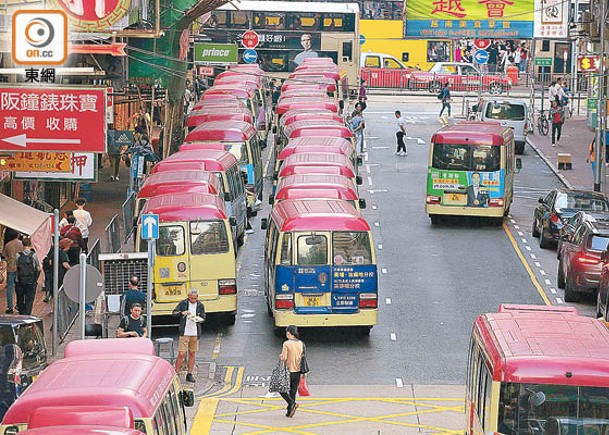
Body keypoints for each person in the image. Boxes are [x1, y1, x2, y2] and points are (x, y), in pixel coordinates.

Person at [172, 289, 206, 383]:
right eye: (191, 298)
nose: (193, 300)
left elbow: (203, 317)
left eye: (195, 298)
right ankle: (176, 373)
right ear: (188, 296)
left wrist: (199, 319)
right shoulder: (183, 303)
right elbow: (174, 313)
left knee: (192, 353)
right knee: (182, 353)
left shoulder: (200, 305)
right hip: (185, 332)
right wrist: (181, 313)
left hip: (195, 332)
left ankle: (189, 373)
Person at [279, 325, 304, 418]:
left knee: (281, 389)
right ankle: (290, 411)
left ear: (289, 333)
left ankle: (292, 403)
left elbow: (284, 357)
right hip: (297, 370)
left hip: (288, 370)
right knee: (292, 392)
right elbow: (303, 357)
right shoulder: (300, 343)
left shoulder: (286, 344)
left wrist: (281, 356)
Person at [15, 238, 40, 316]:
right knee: (29, 298)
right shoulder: (34, 255)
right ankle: (27, 314)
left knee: (20, 297)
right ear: (30, 244)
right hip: (31, 280)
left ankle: (21, 312)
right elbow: (38, 268)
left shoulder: (18, 255)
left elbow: (16, 267)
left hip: (20, 280)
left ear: (23, 244)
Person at [3, 231, 22, 314]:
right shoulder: (21, 244)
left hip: (11, 268)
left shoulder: (8, 245)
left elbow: (4, 256)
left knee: (10, 288)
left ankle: (10, 307)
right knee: (20, 287)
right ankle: (19, 304)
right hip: (21, 268)